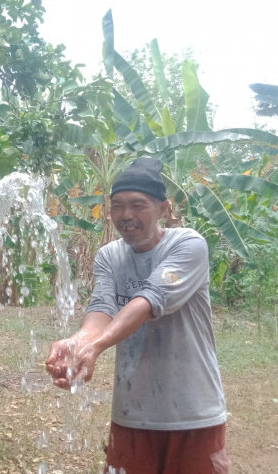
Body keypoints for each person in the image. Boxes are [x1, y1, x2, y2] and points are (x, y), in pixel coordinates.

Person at [45, 157, 230, 474]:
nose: (126, 215)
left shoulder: (189, 245)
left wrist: (96, 347)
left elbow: (148, 300)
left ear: (163, 208)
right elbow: (102, 309)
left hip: (193, 411)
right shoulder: (109, 255)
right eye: (117, 206)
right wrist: (77, 343)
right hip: (131, 412)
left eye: (138, 205)